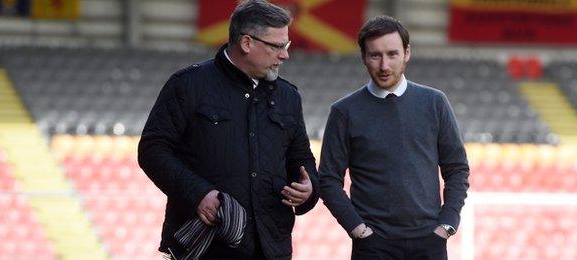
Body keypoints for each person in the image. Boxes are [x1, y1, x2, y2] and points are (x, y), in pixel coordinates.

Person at [137, 1, 319, 259]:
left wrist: (309, 189)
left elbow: (301, 159)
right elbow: (152, 151)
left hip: (271, 249)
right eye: (277, 46)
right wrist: (199, 194)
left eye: (285, 46)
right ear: (247, 43)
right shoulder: (188, 85)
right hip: (206, 248)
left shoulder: (290, 97)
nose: (285, 55)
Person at [318, 15, 470, 260]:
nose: (384, 65)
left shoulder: (434, 102)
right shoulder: (344, 111)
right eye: (375, 55)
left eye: (392, 54)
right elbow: (327, 180)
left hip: (429, 242)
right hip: (372, 245)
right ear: (363, 57)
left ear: (407, 53)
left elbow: (457, 168)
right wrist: (358, 230)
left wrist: (447, 224)